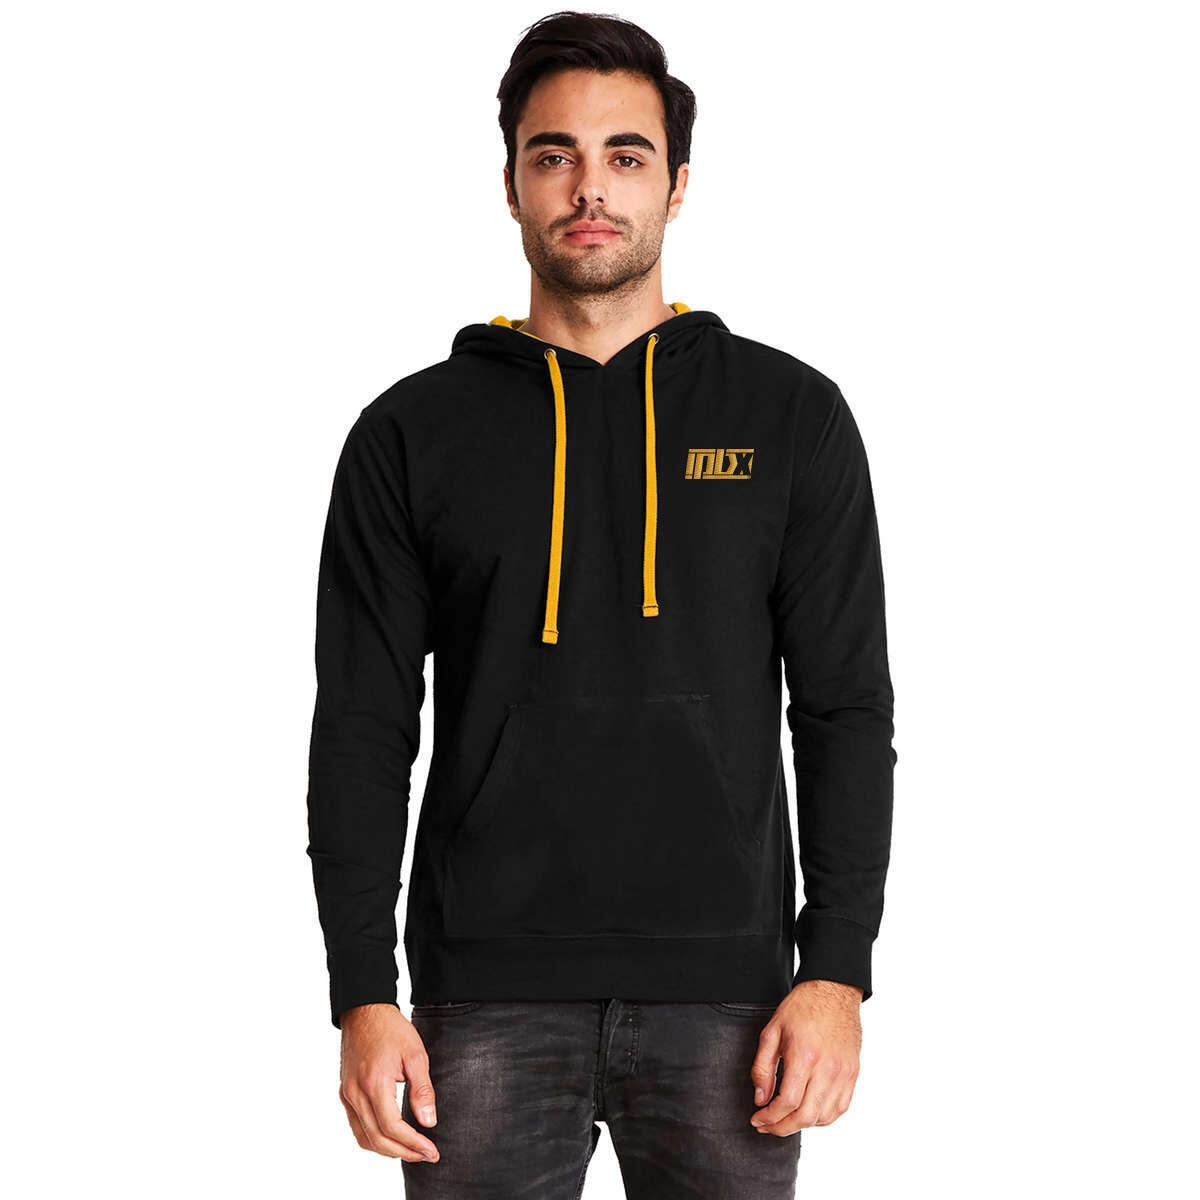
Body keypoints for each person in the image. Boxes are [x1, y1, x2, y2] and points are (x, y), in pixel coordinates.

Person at [306, 11, 896, 1198]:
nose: (590, 189)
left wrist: (836, 971)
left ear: (677, 186)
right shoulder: (410, 434)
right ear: (511, 185)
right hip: (479, 996)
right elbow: (362, 728)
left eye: (626, 155)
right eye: (554, 155)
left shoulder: (789, 416)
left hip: (732, 1001)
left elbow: (843, 712)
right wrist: (363, 993)